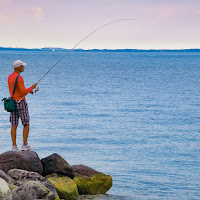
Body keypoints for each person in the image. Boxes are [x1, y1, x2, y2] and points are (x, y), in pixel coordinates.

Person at [8, 60, 38, 151]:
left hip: (13, 102)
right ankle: (24, 145)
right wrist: (31, 88)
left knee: (14, 125)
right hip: (21, 103)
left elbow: (15, 90)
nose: (24, 67)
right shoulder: (19, 78)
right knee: (26, 124)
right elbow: (23, 91)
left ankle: (14, 146)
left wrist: (30, 91)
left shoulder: (10, 77)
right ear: (18, 67)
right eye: (22, 66)